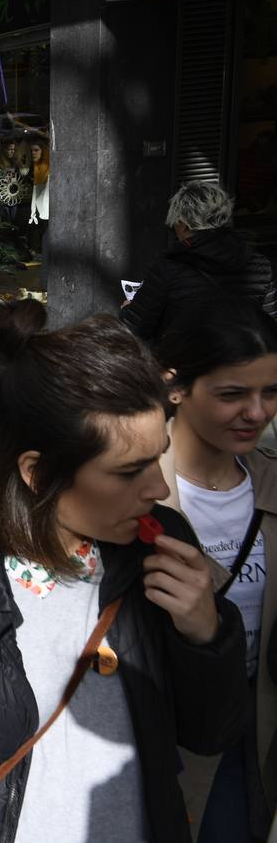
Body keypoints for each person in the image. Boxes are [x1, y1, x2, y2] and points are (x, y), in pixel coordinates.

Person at [0, 299, 249, 843]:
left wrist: (206, 632)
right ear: (37, 473)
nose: (158, 490)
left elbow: (211, 733)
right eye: (129, 471)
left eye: (158, 460)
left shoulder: (159, 548)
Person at [152, 303, 277, 843]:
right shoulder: (130, 493)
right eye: (232, 394)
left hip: (262, 729)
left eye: (270, 392)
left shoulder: (272, 483)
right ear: (175, 386)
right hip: (172, 741)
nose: (257, 412)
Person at [121, 180, 277, 342]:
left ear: (183, 225)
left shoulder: (168, 267)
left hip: (184, 363)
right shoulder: (261, 265)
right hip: (241, 362)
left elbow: (135, 328)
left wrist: (127, 310)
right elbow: (269, 325)